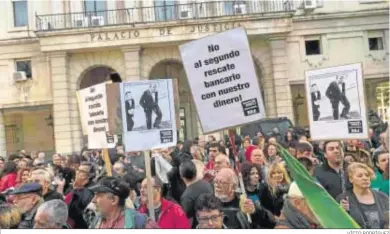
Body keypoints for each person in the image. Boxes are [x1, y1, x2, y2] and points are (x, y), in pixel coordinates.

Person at [89, 177, 158, 229]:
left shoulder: (139, 222)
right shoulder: (96, 222)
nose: (93, 200)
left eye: (99, 195)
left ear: (114, 200)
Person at [337, 163, 389, 229]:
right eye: (360, 176)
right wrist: (342, 212)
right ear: (351, 179)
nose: (365, 178)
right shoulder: (343, 199)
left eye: (367, 175)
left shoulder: (383, 197)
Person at [179, 160, 213, 228]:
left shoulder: (186, 196)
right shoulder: (206, 184)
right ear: (195, 172)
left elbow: (187, 220)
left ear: (181, 176)